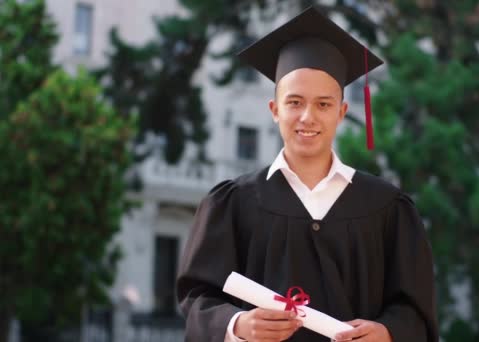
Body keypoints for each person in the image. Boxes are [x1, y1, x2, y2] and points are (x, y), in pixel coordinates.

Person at [177, 6, 438, 342]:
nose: (308, 117)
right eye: (295, 102)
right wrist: (237, 324)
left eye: (324, 104)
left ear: (342, 112)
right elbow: (198, 300)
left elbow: (415, 309)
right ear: (274, 110)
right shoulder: (233, 203)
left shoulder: (387, 207)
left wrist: (389, 333)